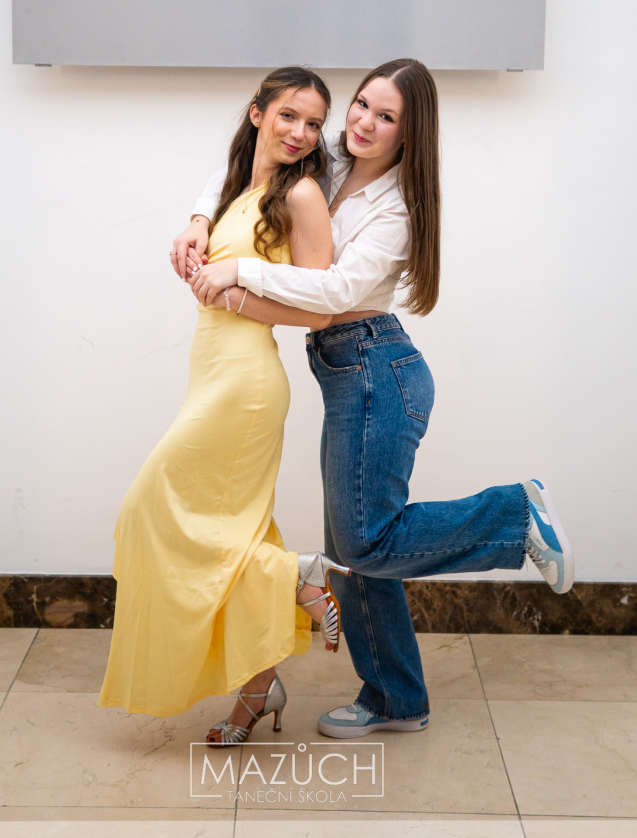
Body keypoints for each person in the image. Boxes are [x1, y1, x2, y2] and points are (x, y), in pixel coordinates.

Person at [178, 57, 575, 739]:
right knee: (353, 554)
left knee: (365, 542)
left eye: (385, 116)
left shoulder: (398, 209)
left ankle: (515, 514)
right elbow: (253, 164)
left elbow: (334, 293)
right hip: (346, 371)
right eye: (361, 104)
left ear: (408, 133)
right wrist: (196, 217)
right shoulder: (326, 162)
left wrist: (238, 272)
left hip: (376, 369)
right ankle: (396, 698)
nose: (362, 122)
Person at [98, 66, 351, 746]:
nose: (301, 133)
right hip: (210, 373)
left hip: (246, 385)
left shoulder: (302, 195)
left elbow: (321, 309)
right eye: (289, 115)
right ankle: (258, 690)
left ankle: (297, 575)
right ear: (257, 113)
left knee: (146, 503)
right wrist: (196, 222)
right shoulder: (240, 187)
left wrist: (235, 293)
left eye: (314, 123)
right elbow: (218, 189)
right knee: (240, 530)